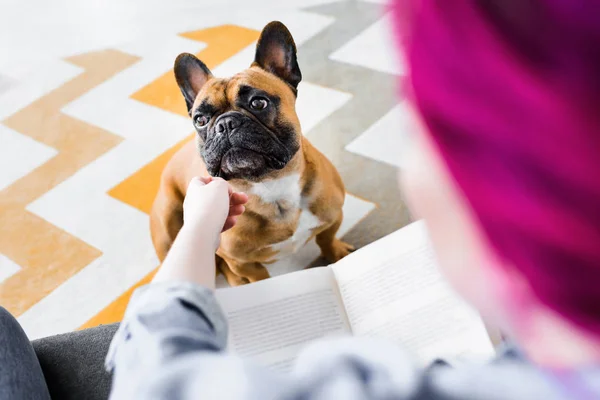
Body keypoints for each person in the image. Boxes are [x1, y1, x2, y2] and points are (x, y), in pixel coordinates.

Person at [2, 0, 600, 398]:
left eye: (258, 103)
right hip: (212, 211)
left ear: (289, 79)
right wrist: (198, 238)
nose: (228, 128)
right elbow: (229, 253)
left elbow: (156, 374)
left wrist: (204, 250)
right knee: (210, 249)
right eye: (206, 119)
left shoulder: (327, 188)